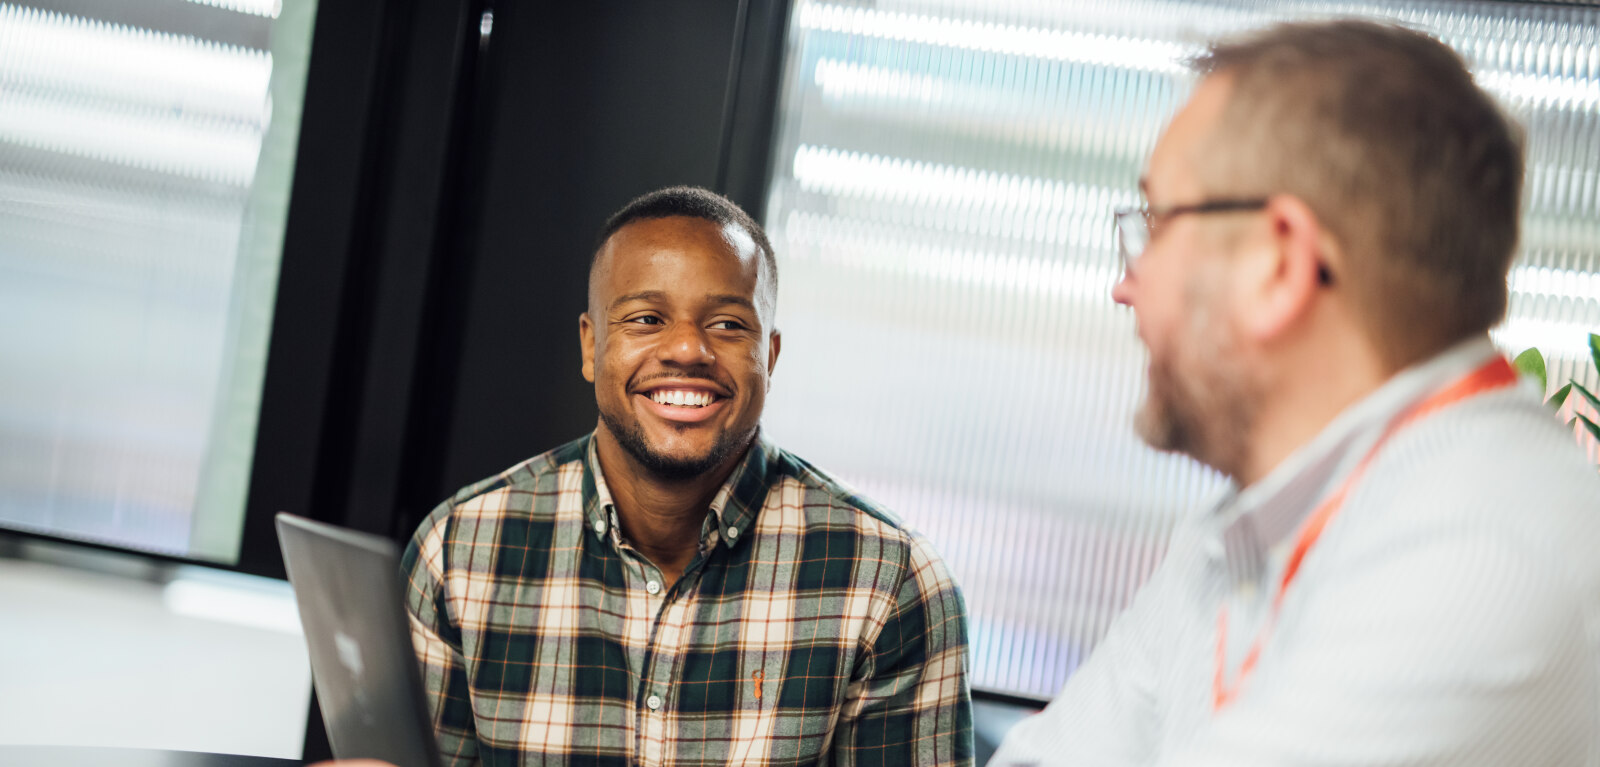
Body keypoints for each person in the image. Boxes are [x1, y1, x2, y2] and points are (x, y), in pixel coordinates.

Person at [993, 19, 1600, 766]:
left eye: (1155, 224)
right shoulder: (1246, 526)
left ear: (1280, 266)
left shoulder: (1490, 548)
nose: (1127, 283)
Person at [399, 186, 972, 766]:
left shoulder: (889, 582)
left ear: (769, 359)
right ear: (591, 344)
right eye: (647, 318)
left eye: (727, 325)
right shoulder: (458, 552)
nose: (687, 349)